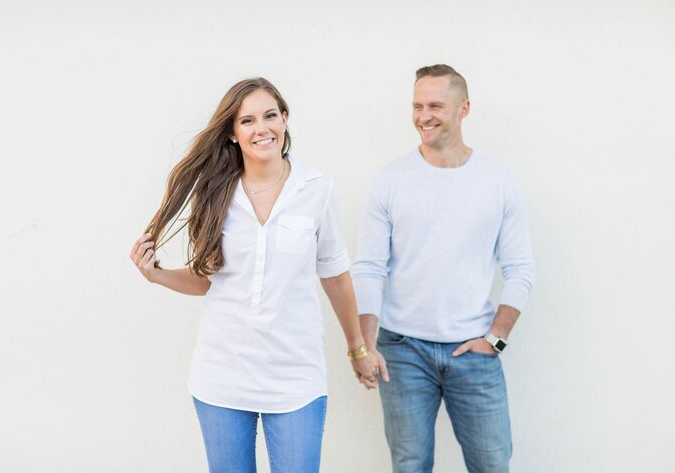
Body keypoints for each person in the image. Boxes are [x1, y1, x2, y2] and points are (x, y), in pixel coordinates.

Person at [129, 77, 379, 473]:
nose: (261, 128)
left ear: (285, 119)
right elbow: (207, 278)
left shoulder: (317, 189)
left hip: (296, 377)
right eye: (247, 121)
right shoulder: (214, 193)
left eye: (269, 116)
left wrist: (358, 349)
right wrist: (156, 275)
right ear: (232, 132)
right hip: (222, 375)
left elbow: (335, 276)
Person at [352, 64, 535, 473]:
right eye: (417, 106)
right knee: (410, 464)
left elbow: (520, 269)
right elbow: (369, 268)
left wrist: (496, 339)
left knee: (492, 464)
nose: (423, 116)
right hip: (403, 352)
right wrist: (365, 345)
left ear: (463, 108)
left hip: (474, 349)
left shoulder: (498, 182)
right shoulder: (390, 180)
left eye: (435, 105)